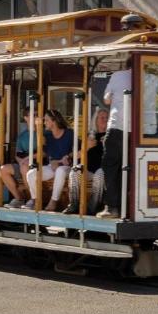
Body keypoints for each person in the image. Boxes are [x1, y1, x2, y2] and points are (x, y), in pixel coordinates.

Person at [98, 58, 133, 219]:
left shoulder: (118, 75)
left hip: (117, 127)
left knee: (111, 167)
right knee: (131, 169)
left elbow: (107, 99)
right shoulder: (150, 77)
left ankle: (112, 207)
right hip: (140, 132)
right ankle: (131, 207)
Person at [24, 109, 74, 211]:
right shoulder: (47, 135)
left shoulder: (69, 133)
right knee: (31, 174)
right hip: (53, 166)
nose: (44, 122)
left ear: (54, 121)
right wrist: (37, 125)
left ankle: (53, 202)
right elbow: (49, 155)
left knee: (60, 171)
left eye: (46, 120)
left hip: (67, 167)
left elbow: (78, 151)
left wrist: (67, 157)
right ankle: (36, 201)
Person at [63, 108, 107, 215]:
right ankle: (74, 204)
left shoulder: (111, 136)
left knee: (100, 174)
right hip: (88, 170)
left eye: (107, 118)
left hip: (103, 171)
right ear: (96, 120)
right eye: (102, 118)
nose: (105, 120)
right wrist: (86, 147)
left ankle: (92, 207)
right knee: (74, 171)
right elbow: (76, 156)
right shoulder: (89, 136)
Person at [0, 110, 33, 208]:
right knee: (3, 169)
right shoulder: (22, 136)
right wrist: (21, 161)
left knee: (24, 167)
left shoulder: (44, 133)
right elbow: (17, 154)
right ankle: (19, 199)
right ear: (26, 118)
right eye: (33, 115)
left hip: (39, 164)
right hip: (24, 163)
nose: (36, 117)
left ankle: (33, 200)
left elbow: (44, 152)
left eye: (37, 115)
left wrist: (27, 159)